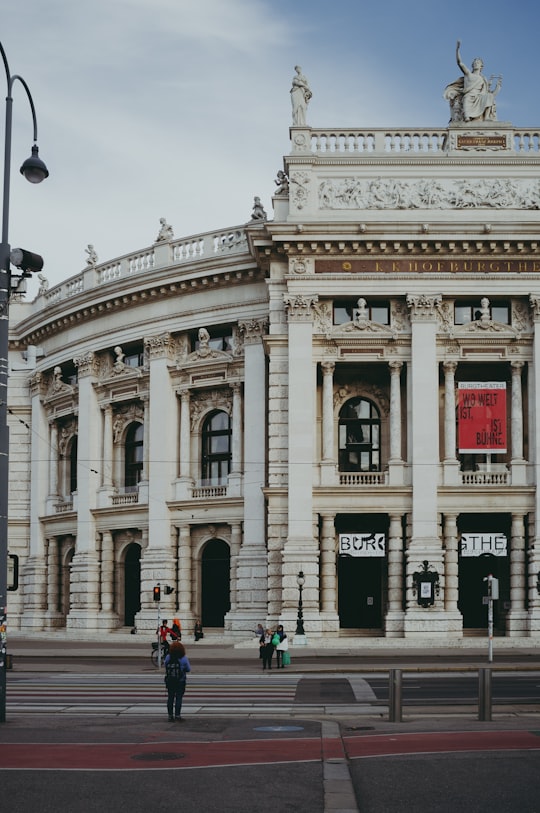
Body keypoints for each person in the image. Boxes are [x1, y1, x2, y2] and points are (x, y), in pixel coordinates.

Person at [444, 41, 501, 123]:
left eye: (478, 63)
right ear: (472, 65)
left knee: (489, 96)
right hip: (469, 95)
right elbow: (460, 63)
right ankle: (467, 116)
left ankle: (487, 117)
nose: (476, 64)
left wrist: (497, 87)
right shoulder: (468, 74)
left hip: (480, 96)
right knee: (466, 98)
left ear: (481, 66)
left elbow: (487, 91)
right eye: (474, 63)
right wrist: (457, 50)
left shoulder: (482, 78)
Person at [163, 640, 191, 721]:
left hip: (170, 680)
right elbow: (188, 669)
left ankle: (170, 716)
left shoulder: (168, 657)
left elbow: (165, 665)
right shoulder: (184, 658)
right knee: (179, 698)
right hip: (180, 680)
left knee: (170, 697)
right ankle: (177, 715)